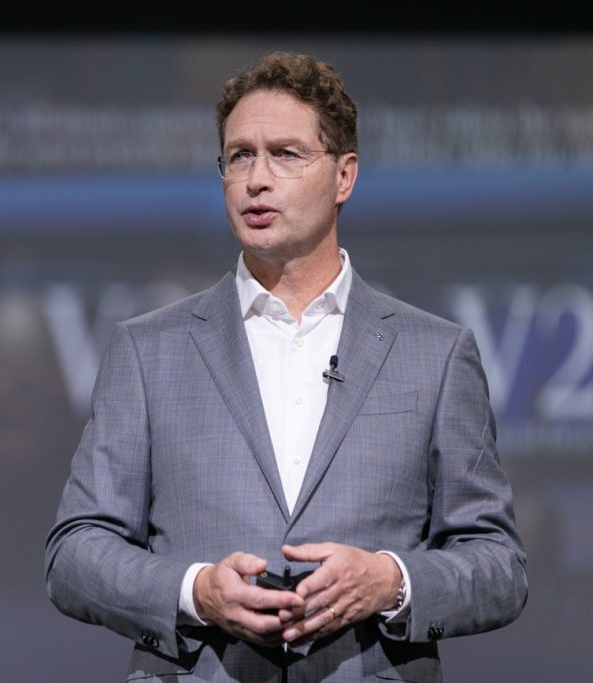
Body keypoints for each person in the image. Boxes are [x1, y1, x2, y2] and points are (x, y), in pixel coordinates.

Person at [44, 51, 527, 682]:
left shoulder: (435, 354)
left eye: (286, 154)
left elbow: (498, 565)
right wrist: (195, 592)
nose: (256, 179)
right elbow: (75, 553)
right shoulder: (148, 349)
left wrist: (390, 581)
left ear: (344, 176)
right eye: (239, 156)